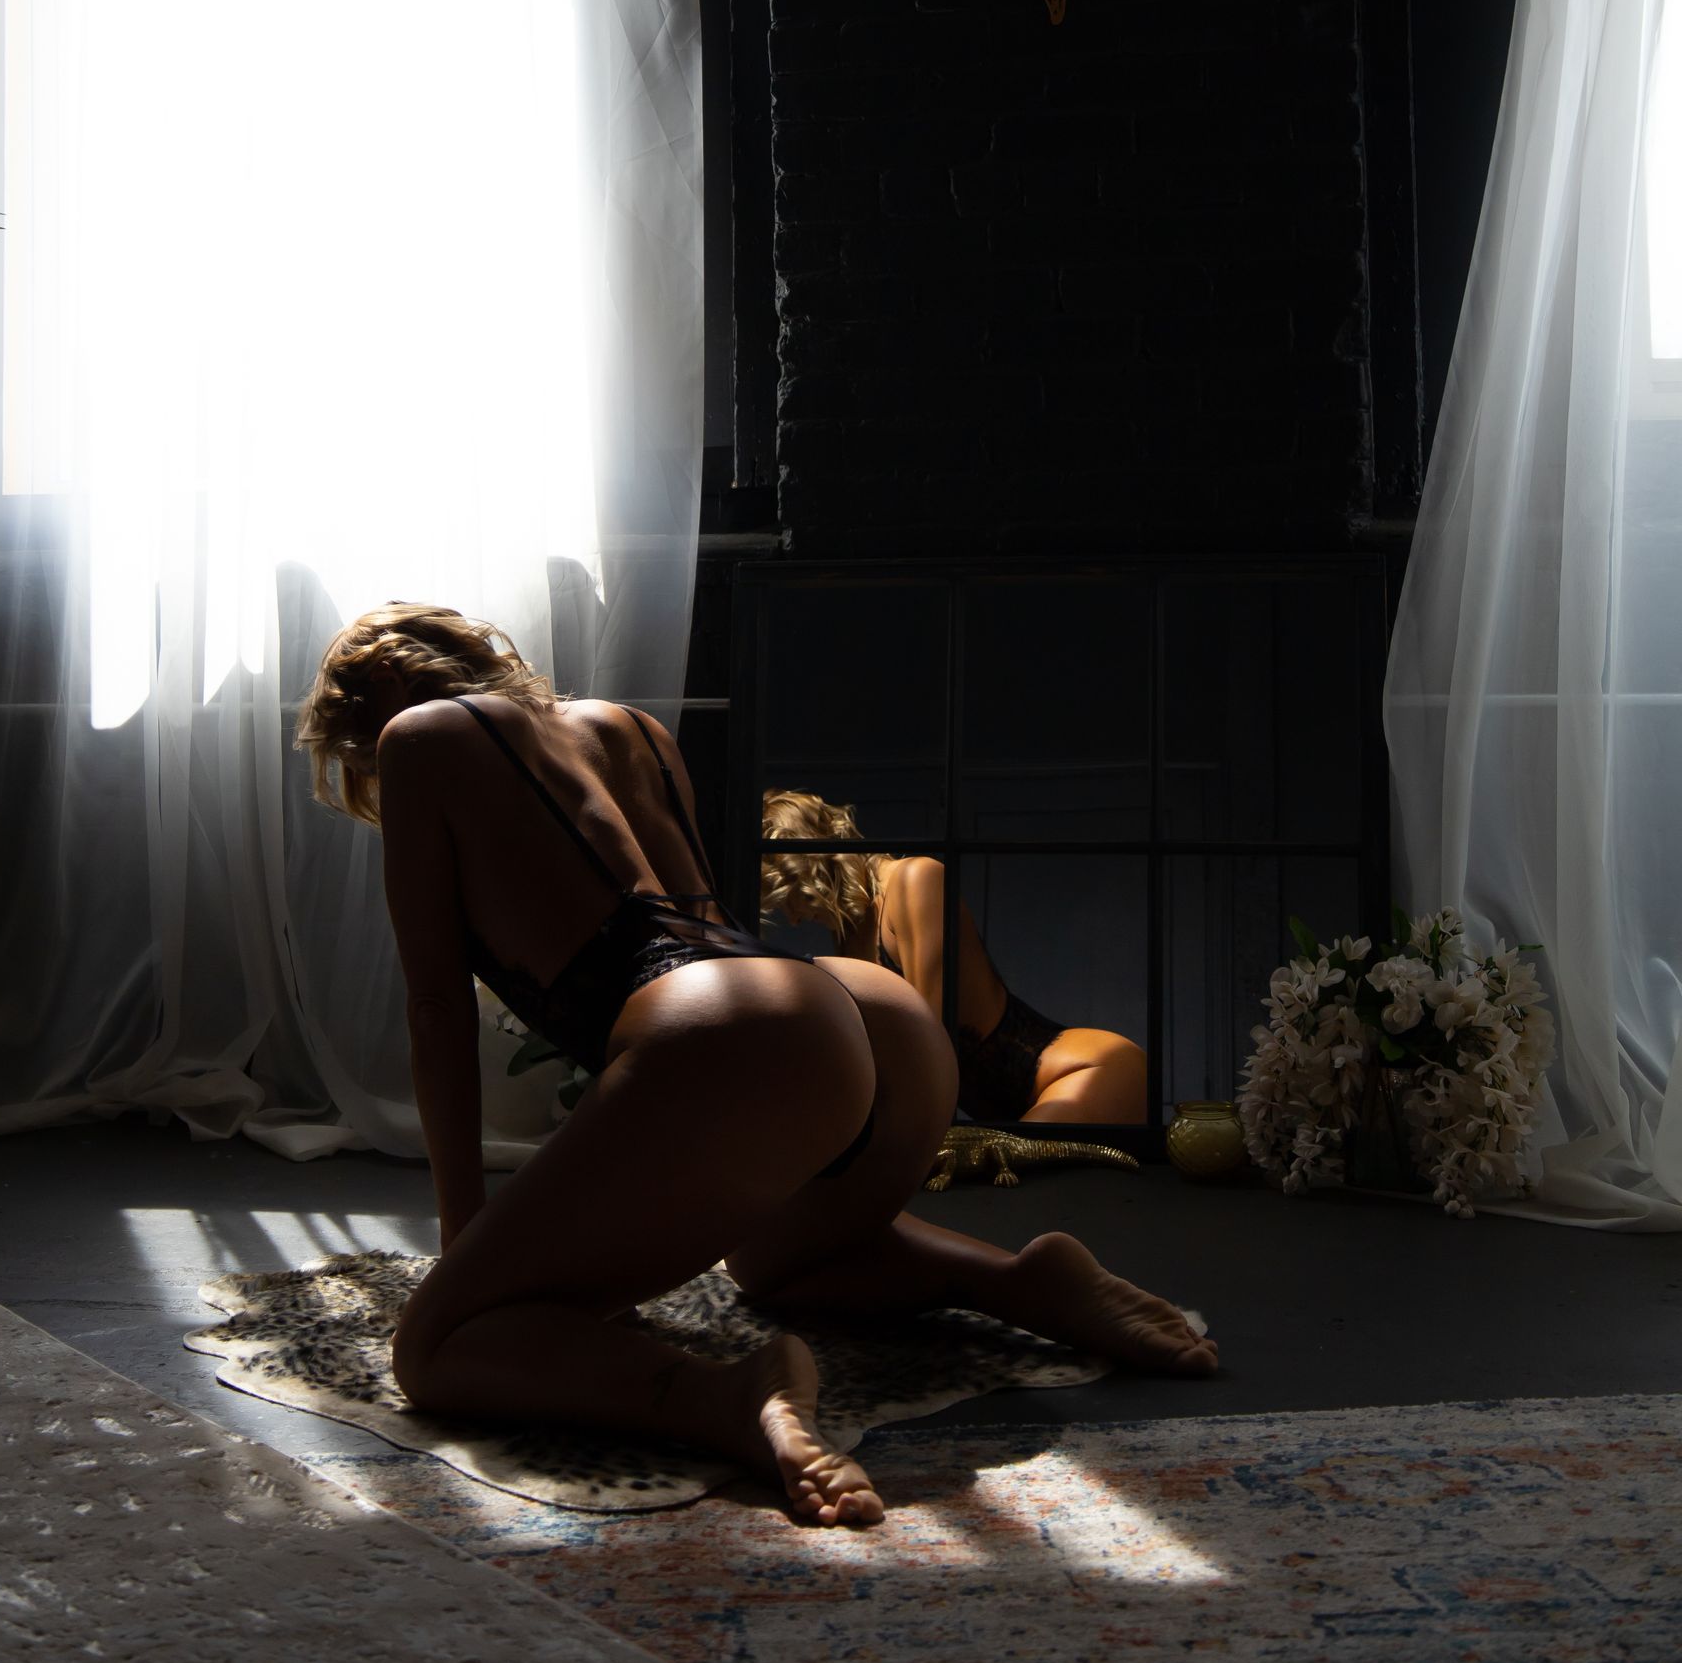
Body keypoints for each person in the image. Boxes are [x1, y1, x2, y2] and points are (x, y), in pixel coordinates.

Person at [296, 601, 1215, 1532]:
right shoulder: (628, 728)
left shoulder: (419, 733)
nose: (371, 772)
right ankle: (1016, 1280)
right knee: (779, 1262)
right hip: (868, 1017)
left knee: (443, 1345)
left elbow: (435, 1007)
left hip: (734, 1032)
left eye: (355, 754)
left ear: (386, 688)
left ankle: (730, 1396)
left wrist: (466, 1244)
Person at [761, 789, 1148, 1124]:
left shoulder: (916, 879)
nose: (793, 918)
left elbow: (926, 1047)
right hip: (1009, 1112)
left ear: (809, 864)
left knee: (1000, 1179)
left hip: (1089, 1072)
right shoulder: (850, 926)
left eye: (789, 897)